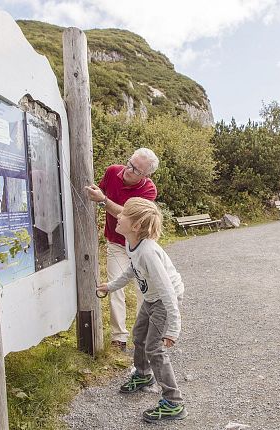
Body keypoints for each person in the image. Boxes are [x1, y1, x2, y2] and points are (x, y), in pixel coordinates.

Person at [96, 197, 187, 423]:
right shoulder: (131, 243)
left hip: (165, 301)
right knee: (139, 336)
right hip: (152, 298)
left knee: (154, 348)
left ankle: (173, 402)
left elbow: (168, 291)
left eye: (124, 214)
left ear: (136, 226)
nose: (118, 215)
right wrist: (111, 286)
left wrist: (173, 328)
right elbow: (131, 270)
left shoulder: (148, 252)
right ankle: (144, 375)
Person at [85, 148, 158, 350]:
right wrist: (98, 198)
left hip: (140, 245)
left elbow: (128, 215)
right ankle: (119, 337)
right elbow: (96, 195)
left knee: (144, 289)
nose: (128, 169)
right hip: (116, 242)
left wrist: (103, 201)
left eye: (135, 169)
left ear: (145, 175)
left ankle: (143, 334)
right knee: (115, 286)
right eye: (130, 163)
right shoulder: (112, 172)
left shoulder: (149, 190)